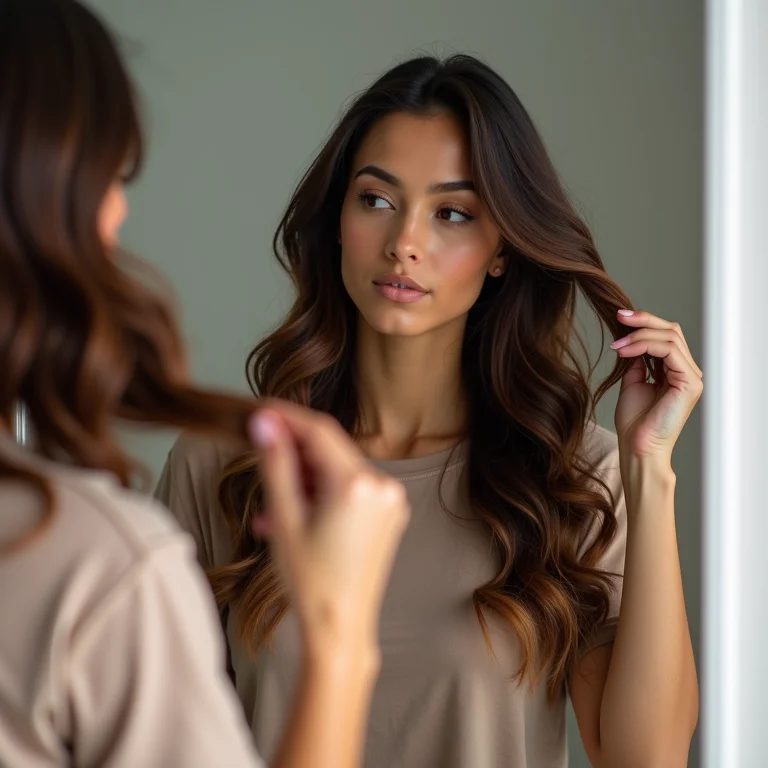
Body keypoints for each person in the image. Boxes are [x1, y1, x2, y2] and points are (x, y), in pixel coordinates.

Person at [160, 54, 702, 767]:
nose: (404, 243)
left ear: (501, 249)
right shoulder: (225, 465)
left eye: (451, 213)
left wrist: (649, 471)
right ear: (338, 220)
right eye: (376, 200)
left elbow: (646, 758)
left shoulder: (575, 475)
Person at [0, 2, 409, 767]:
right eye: (112, 176)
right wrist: (340, 640)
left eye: (454, 212)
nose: (406, 243)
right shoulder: (104, 566)